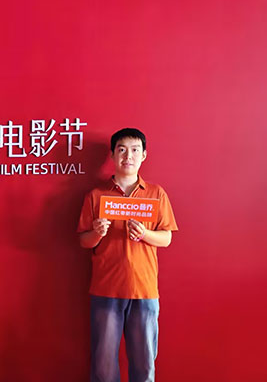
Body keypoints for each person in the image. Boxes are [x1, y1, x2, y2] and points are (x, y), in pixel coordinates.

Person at [77, 128, 178, 382]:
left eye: (134, 150)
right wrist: (97, 233)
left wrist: (145, 234)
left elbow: (166, 238)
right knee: (103, 366)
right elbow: (84, 241)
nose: (128, 156)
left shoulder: (156, 193)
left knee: (144, 364)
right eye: (122, 150)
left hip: (144, 289)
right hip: (106, 288)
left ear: (144, 155)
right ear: (112, 155)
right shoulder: (96, 196)